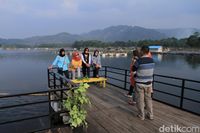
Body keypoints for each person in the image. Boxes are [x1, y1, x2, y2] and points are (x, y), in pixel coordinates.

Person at [132, 46, 155, 120]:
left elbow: (133, 69)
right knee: (148, 100)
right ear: (148, 52)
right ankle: (150, 115)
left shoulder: (139, 61)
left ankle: (142, 115)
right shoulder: (152, 60)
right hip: (149, 84)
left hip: (140, 84)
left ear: (142, 51)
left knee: (140, 100)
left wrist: (135, 73)